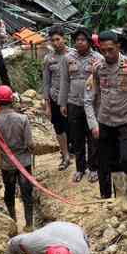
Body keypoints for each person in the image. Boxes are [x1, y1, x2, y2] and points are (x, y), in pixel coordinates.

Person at [85, 30, 127, 202]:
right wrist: (93, 124)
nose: (107, 54)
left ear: (118, 46)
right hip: (105, 122)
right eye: (103, 50)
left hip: (126, 121)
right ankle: (115, 198)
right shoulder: (97, 67)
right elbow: (91, 97)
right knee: (108, 163)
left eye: (110, 50)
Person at [0, 85, 38, 228]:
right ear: (12, 100)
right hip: (24, 163)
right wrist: (32, 149)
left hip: (7, 164)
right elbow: (30, 143)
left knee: (9, 192)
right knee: (27, 193)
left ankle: (13, 221)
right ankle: (29, 224)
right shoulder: (23, 119)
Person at [61, 28, 103, 183]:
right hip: (73, 103)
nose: (80, 42)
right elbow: (64, 81)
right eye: (77, 40)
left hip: (92, 105)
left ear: (89, 42)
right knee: (77, 138)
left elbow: (102, 83)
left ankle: (93, 168)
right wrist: (62, 103)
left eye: (83, 40)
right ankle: (80, 169)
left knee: (93, 137)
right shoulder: (68, 58)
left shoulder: (98, 58)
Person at [42, 27, 73, 170]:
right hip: (55, 97)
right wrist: (47, 105)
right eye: (52, 40)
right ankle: (65, 156)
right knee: (59, 127)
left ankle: (78, 154)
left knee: (74, 126)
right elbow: (46, 82)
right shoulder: (49, 59)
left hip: (72, 97)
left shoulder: (73, 55)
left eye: (58, 39)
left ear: (64, 38)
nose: (55, 43)